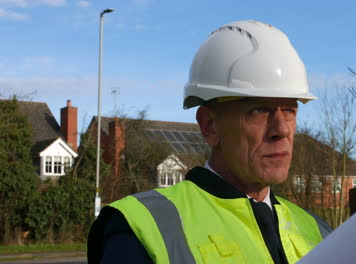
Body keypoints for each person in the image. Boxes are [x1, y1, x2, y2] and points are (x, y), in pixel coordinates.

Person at [87, 20, 332, 264]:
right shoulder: (140, 230)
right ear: (209, 126)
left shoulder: (318, 231)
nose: (281, 129)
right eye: (259, 110)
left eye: (289, 110)